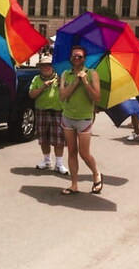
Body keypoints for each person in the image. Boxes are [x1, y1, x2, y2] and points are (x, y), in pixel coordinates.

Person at [59, 46, 102, 195]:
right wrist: (76, 83)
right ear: (71, 58)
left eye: (79, 57)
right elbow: (63, 96)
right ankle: (74, 184)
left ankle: (96, 173)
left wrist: (84, 81)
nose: (76, 59)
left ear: (85, 59)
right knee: (71, 151)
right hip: (68, 117)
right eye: (74, 56)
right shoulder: (66, 74)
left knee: (84, 153)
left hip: (84, 118)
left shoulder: (92, 74)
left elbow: (96, 97)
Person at [29, 56, 68, 174]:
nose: (45, 68)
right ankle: (47, 161)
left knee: (58, 139)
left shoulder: (60, 78)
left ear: (53, 67)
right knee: (43, 138)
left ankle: (59, 164)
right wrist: (43, 86)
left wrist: (62, 84)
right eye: (43, 65)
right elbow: (32, 95)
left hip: (58, 111)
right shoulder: (36, 79)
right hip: (42, 111)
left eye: (48, 65)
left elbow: (67, 93)